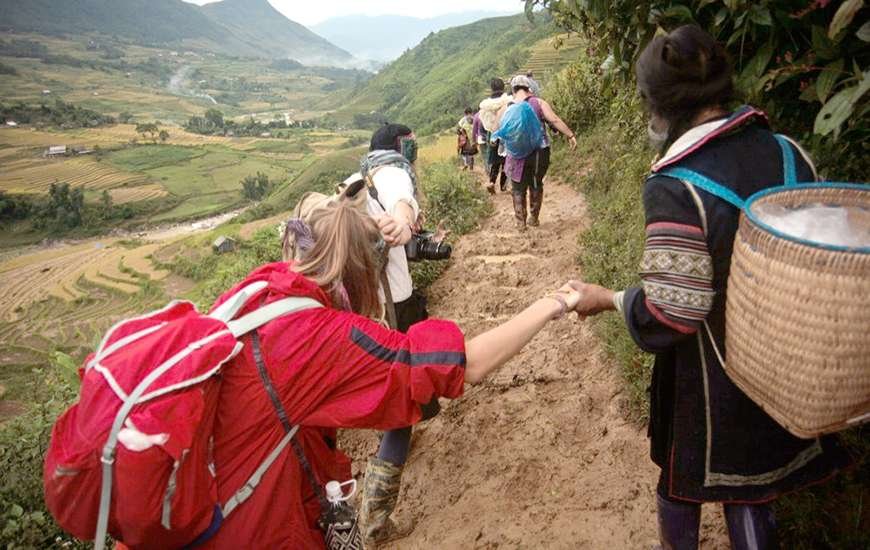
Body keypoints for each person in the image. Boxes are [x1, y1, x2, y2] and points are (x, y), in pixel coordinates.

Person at [569, 25, 849, 550]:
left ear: (659, 107)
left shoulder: (675, 186)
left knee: (684, 477)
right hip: (787, 362)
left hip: (711, 376)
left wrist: (609, 298)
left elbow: (672, 313)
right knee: (753, 490)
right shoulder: (790, 152)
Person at [199, 191, 583, 548]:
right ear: (359, 271)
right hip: (253, 523)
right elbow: (465, 364)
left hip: (207, 496)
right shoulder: (321, 338)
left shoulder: (261, 290)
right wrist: (554, 304)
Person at [496, 75, 576, 231]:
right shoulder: (538, 103)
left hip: (515, 156)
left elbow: (498, 129)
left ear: (513, 89)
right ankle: (534, 218)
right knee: (536, 183)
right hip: (539, 153)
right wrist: (570, 135)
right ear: (528, 88)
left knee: (518, 188)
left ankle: (521, 223)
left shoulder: (506, 108)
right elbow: (554, 120)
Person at [478, 78, 511, 194]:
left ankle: (492, 182)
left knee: (495, 161)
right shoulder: (508, 100)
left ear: (491, 88)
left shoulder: (485, 105)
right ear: (503, 87)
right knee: (507, 160)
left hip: (492, 134)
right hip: (507, 133)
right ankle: (503, 186)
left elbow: (484, 121)